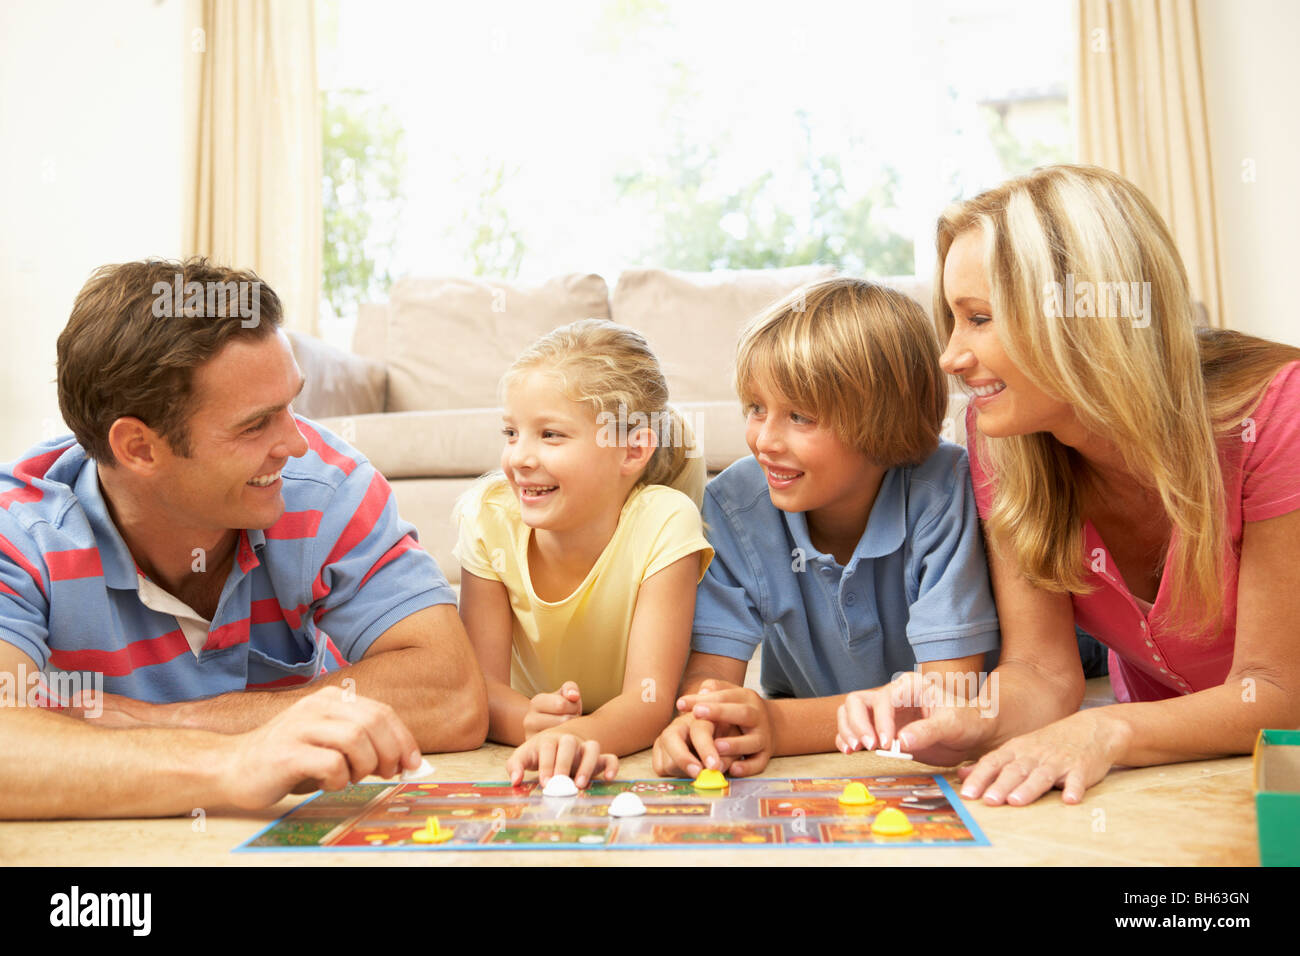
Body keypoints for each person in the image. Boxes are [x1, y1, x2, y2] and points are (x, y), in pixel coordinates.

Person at [0, 258, 487, 819]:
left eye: (292, 405)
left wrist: (168, 719)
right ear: (138, 448)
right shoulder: (22, 530)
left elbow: (452, 695)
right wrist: (234, 762)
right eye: (256, 425)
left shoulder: (324, 488)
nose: (298, 444)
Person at [896, 163, 1300, 806]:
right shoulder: (1001, 439)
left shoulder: (1279, 415)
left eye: (978, 318)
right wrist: (977, 716)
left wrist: (1104, 727)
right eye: (952, 318)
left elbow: (1276, 695)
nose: (950, 356)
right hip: (1172, 772)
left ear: (1083, 316)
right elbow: (1044, 670)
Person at [651, 278, 1001, 779]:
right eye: (755, 408)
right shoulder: (732, 507)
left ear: (884, 421)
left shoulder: (943, 491)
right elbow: (710, 675)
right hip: (814, 709)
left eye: (800, 416)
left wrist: (776, 724)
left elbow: (945, 703)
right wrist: (705, 720)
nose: (765, 441)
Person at [454, 319, 713, 788]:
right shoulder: (488, 516)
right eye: (511, 433)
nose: (519, 458)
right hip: (541, 723)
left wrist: (578, 736)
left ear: (631, 451)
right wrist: (531, 725)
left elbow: (649, 700)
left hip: (602, 729)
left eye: (550, 435)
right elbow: (480, 689)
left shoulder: (665, 521)